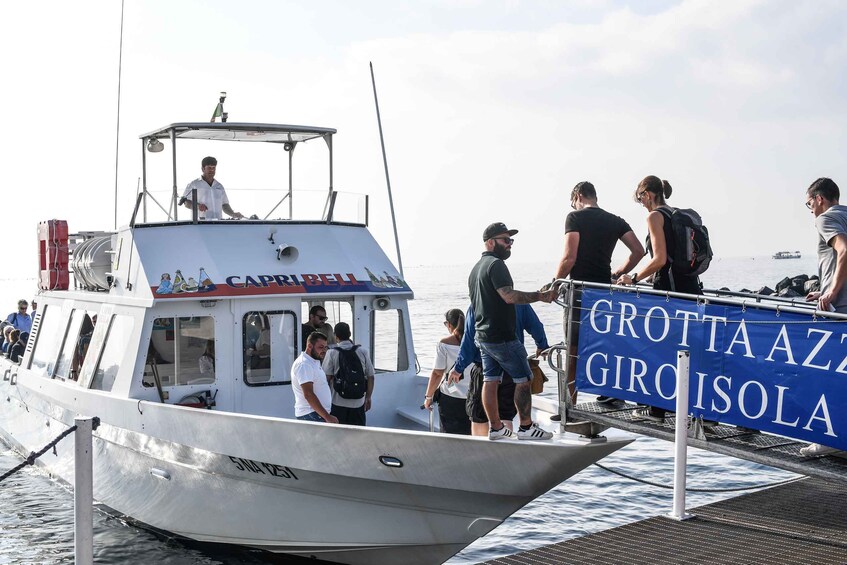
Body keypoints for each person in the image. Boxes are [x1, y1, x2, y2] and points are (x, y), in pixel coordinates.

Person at [616, 175, 702, 422]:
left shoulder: (655, 216)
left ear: (648, 194)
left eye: (640, 198)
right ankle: (694, 410)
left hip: (669, 293)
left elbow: (660, 259)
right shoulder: (678, 214)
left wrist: (633, 277)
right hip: (691, 289)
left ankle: (656, 409)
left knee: (656, 348)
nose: (641, 203)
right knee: (686, 349)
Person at [555, 181, 645, 405]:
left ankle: (570, 403)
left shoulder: (574, 218)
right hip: (605, 293)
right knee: (604, 345)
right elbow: (638, 251)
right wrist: (620, 272)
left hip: (580, 294)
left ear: (578, 196)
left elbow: (569, 258)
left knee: (573, 351)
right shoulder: (615, 220)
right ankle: (612, 394)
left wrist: (555, 283)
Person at [469, 222, 557, 440]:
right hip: (502, 337)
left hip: (483, 337)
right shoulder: (496, 265)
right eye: (505, 240)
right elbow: (508, 296)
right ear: (490, 242)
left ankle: (496, 428)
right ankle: (526, 427)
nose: (509, 245)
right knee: (524, 378)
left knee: (490, 379)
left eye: (511, 241)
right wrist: (540, 295)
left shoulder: (476, 269)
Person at [451, 304, 549, 436]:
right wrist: (542, 345)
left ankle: (480, 452)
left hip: (484, 368)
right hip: (511, 370)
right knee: (505, 415)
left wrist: (458, 368)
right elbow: (536, 326)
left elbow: (469, 339)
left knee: (479, 416)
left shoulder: (476, 305)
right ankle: (505, 451)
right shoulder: (519, 302)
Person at [801, 177, 847, 457]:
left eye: (809, 203)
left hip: (838, 311)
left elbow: (843, 251)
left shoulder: (825, 218)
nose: (810, 210)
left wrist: (830, 294)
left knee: (827, 374)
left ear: (819, 198)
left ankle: (829, 440)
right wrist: (824, 288)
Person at [423, 309, 472, 435]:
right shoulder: (475, 341)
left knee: (450, 434)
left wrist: (428, 397)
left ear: (449, 324)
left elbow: (437, 374)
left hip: (451, 396)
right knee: (472, 432)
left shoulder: (444, 344)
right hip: (473, 395)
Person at [322, 322, 375, 426]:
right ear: (349, 334)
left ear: (335, 336)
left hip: (337, 402)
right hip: (358, 403)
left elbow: (326, 378)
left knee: (338, 435)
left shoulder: (331, 353)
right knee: (358, 434)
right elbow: (371, 377)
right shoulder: (363, 351)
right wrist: (368, 397)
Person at [291, 332, 338, 423]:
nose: (324, 350)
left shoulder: (312, 362)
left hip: (315, 414)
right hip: (311, 414)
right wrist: (327, 417)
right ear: (309, 346)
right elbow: (308, 394)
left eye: (325, 347)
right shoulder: (304, 364)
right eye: (320, 347)